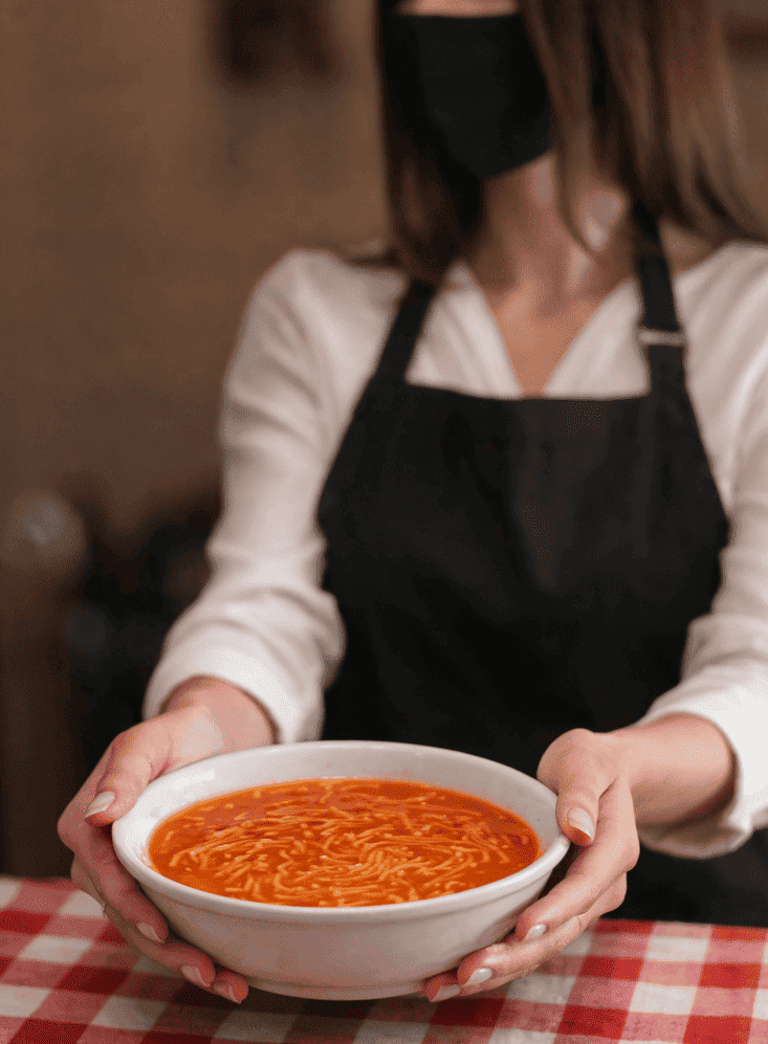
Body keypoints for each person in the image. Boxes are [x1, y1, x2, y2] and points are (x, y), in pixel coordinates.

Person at [59, 0, 768, 1007]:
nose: (442, 18)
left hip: (675, 938)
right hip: (345, 948)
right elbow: (265, 608)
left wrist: (620, 772)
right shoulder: (317, 308)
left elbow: (758, 667)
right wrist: (196, 726)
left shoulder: (751, 318)